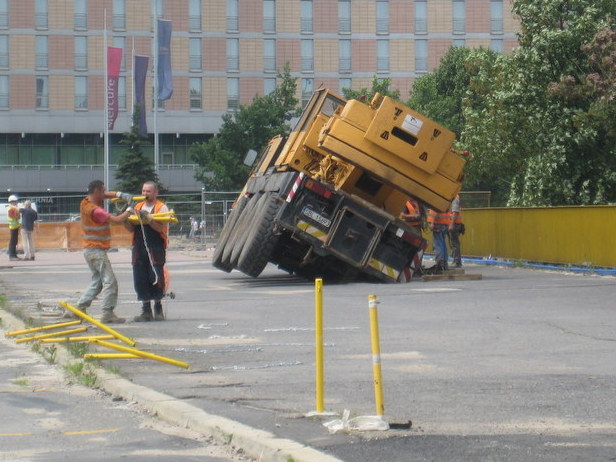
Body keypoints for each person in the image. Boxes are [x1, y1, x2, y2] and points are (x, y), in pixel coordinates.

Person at [67, 180, 133, 324]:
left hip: (90, 250)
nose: (105, 193)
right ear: (96, 191)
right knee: (110, 282)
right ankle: (107, 313)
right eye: (103, 190)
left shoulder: (85, 201)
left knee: (98, 282)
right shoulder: (95, 210)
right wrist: (129, 210)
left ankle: (79, 308)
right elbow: (116, 220)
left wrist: (120, 194)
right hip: (96, 251)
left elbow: (105, 195)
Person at [125, 181, 169, 322]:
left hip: (155, 247)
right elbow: (131, 229)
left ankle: (158, 307)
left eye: (148, 191)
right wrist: (124, 218)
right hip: (139, 247)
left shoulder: (161, 208)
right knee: (140, 277)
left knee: (155, 276)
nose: (145, 194)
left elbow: (161, 228)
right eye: (143, 191)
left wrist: (149, 220)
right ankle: (146, 310)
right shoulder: (137, 206)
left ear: (156, 193)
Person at [400, 197, 425, 278]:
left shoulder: (418, 204)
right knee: (410, 249)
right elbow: (403, 215)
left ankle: (417, 268)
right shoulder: (406, 204)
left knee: (419, 249)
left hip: (417, 229)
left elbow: (422, 215)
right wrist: (413, 216)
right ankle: (408, 267)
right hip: (409, 229)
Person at [427, 207, 451, 272]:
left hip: (438, 224)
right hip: (445, 224)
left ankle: (440, 265)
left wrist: (431, 223)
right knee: (443, 245)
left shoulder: (436, 202)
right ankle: (445, 265)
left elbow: (434, 211)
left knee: (438, 245)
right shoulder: (445, 203)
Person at [448, 194, 464, 268]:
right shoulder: (454, 197)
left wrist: (451, 224)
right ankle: (456, 260)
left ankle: (457, 261)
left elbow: (455, 212)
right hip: (456, 223)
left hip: (455, 223)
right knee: (454, 242)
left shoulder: (455, 198)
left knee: (455, 243)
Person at [6, 195, 21, 261]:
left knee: (15, 241)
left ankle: (14, 255)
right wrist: (18, 214)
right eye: (15, 201)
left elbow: (18, 216)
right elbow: (16, 217)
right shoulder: (11, 209)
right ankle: (12, 256)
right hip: (13, 227)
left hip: (15, 227)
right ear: (12, 202)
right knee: (13, 242)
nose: (17, 202)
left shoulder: (14, 208)